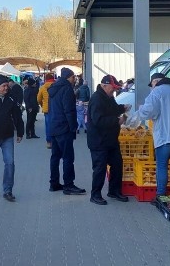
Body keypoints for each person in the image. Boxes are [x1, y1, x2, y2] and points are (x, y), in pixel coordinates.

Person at [86, 75, 129, 205]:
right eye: (113, 88)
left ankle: (114, 191)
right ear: (104, 86)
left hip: (111, 140)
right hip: (99, 141)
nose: (114, 91)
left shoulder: (108, 97)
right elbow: (98, 120)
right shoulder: (97, 99)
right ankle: (95, 194)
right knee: (100, 168)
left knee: (117, 164)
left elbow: (113, 109)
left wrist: (122, 108)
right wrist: (117, 121)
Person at [48, 68, 86, 196]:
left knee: (55, 156)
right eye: (73, 77)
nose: (75, 79)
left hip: (54, 126)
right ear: (68, 77)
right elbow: (69, 110)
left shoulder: (53, 88)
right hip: (64, 128)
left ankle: (54, 183)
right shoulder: (67, 89)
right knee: (68, 157)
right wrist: (73, 126)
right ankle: (68, 185)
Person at [37, 73, 56, 148]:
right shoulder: (56, 86)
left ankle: (49, 142)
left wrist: (42, 105)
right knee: (55, 125)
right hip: (55, 109)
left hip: (47, 109)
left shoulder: (42, 87)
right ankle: (55, 141)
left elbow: (38, 99)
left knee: (48, 126)